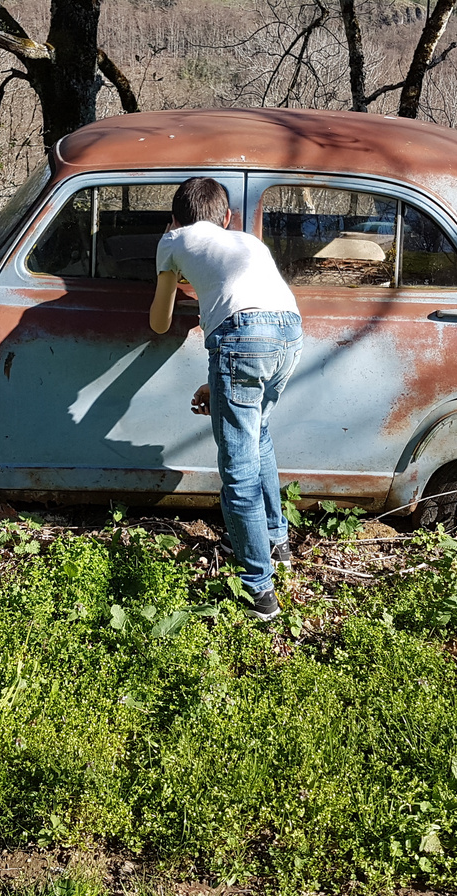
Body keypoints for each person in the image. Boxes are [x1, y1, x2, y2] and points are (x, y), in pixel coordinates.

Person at [149, 177, 302, 621]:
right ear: (228, 218)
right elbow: (251, 310)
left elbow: (160, 323)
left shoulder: (173, 240)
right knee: (259, 434)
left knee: (237, 470)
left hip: (241, 340)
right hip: (290, 333)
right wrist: (219, 382)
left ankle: (258, 590)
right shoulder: (247, 243)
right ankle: (277, 541)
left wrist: (173, 271)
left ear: (173, 219)